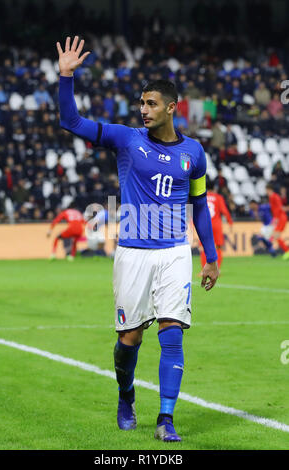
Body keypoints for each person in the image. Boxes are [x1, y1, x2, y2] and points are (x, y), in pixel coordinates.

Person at [56, 36, 219, 442]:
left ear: (170, 107)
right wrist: (66, 76)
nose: (142, 110)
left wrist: (210, 256)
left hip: (174, 254)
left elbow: (199, 206)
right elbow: (71, 122)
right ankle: (126, 395)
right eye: (140, 104)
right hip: (132, 253)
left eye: (150, 104)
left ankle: (166, 418)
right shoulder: (126, 139)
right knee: (129, 340)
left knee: (173, 332)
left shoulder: (195, 153)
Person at [200, 180, 233, 270]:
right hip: (216, 225)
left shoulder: (202, 196)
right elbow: (224, 211)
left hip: (204, 224)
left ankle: (204, 270)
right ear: (214, 188)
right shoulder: (218, 197)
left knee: (203, 247)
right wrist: (230, 222)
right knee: (218, 247)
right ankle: (216, 270)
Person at [266, 184, 289, 260]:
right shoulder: (272, 197)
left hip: (281, 218)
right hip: (279, 217)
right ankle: (286, 251)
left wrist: (276, 218)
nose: (266, 192)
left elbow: (279, 208)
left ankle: (287, 251)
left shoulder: (274, 197)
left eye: (266, 190)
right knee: (275, 236)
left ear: (269, 189)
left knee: (276, 235)